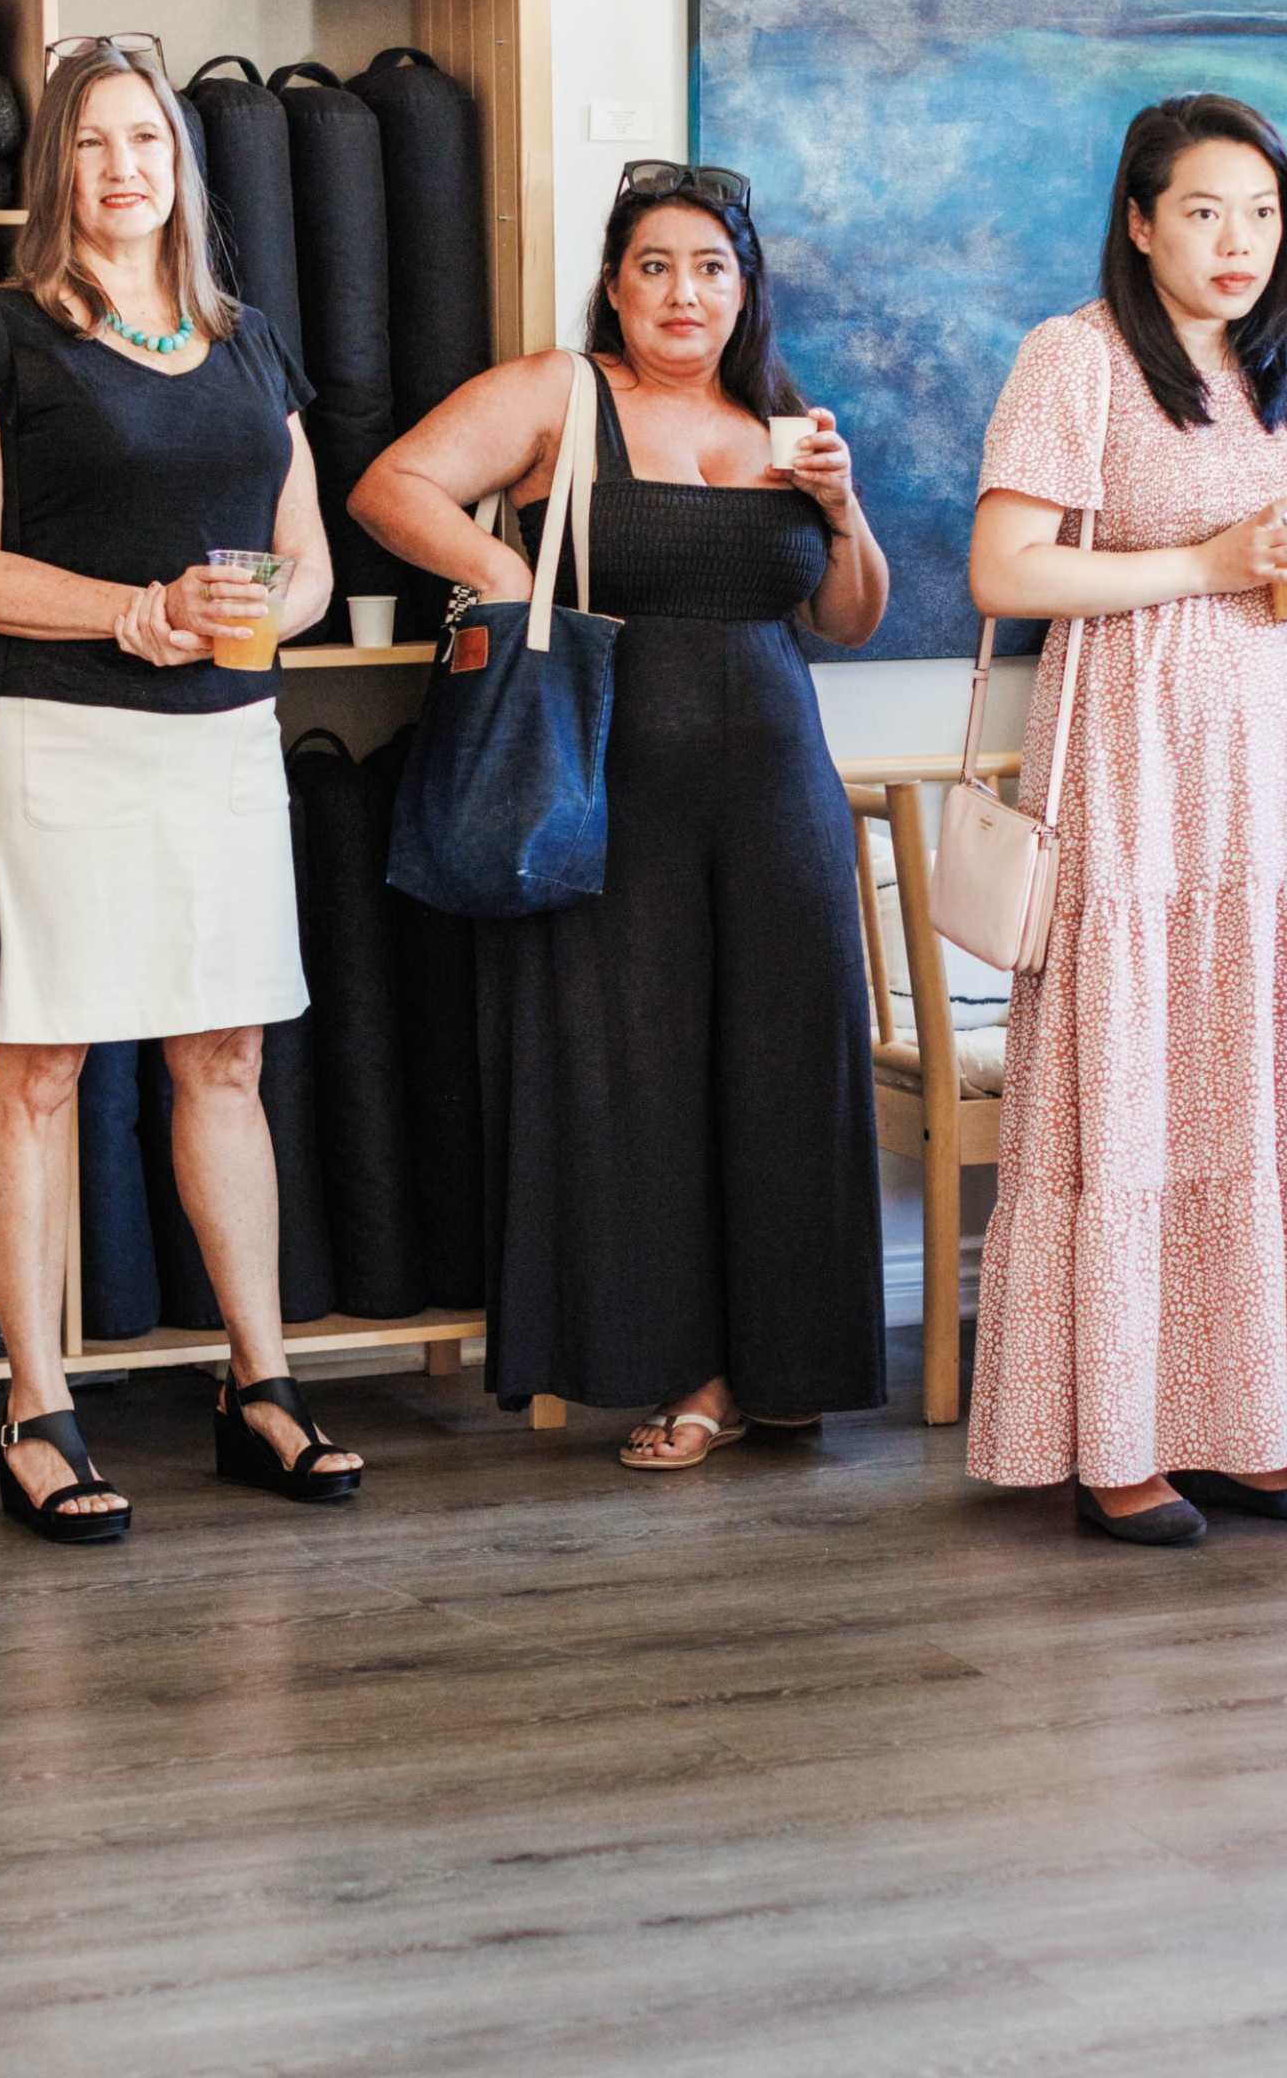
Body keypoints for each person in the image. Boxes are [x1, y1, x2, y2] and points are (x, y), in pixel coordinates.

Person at [354, 160, 891, 1466]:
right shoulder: (561, 393)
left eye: (710, 267)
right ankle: (691, 1373)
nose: (682, 291)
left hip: (780, 794)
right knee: (637, 1083)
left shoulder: (784, 421)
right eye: (654, 264)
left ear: (744, 291)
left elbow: (847, 617)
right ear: (614, 285)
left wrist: (841, 506)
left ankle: (791, 1365)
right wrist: (500, 566)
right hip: (604, 791)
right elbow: (389, 488)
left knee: (791, 1075)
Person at [0, 37, 354, 1544]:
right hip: (65, 735)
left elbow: (311, 566)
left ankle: (263, 1383)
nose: (124, 169)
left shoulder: (247, 341)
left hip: (224, 742)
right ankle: (37, 1408)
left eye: (149, 144)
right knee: (39, 1069)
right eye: (95, 144)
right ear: (56, 172)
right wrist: (130, 611)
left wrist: (257, 618)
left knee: (222, 1058)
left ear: (183, 168)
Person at [960, 94, 1287, 1545]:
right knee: (1136, 1086)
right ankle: (1118, 1441)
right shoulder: (1073, 359)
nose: (1238, 241)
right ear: (1139, 220)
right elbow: (1005, 572)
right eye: (1205, 210)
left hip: (1266, 793)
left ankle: (1251, 1424)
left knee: (1256, 1080)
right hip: (1133, 777)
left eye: (1261, 213)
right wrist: (1207, 558)